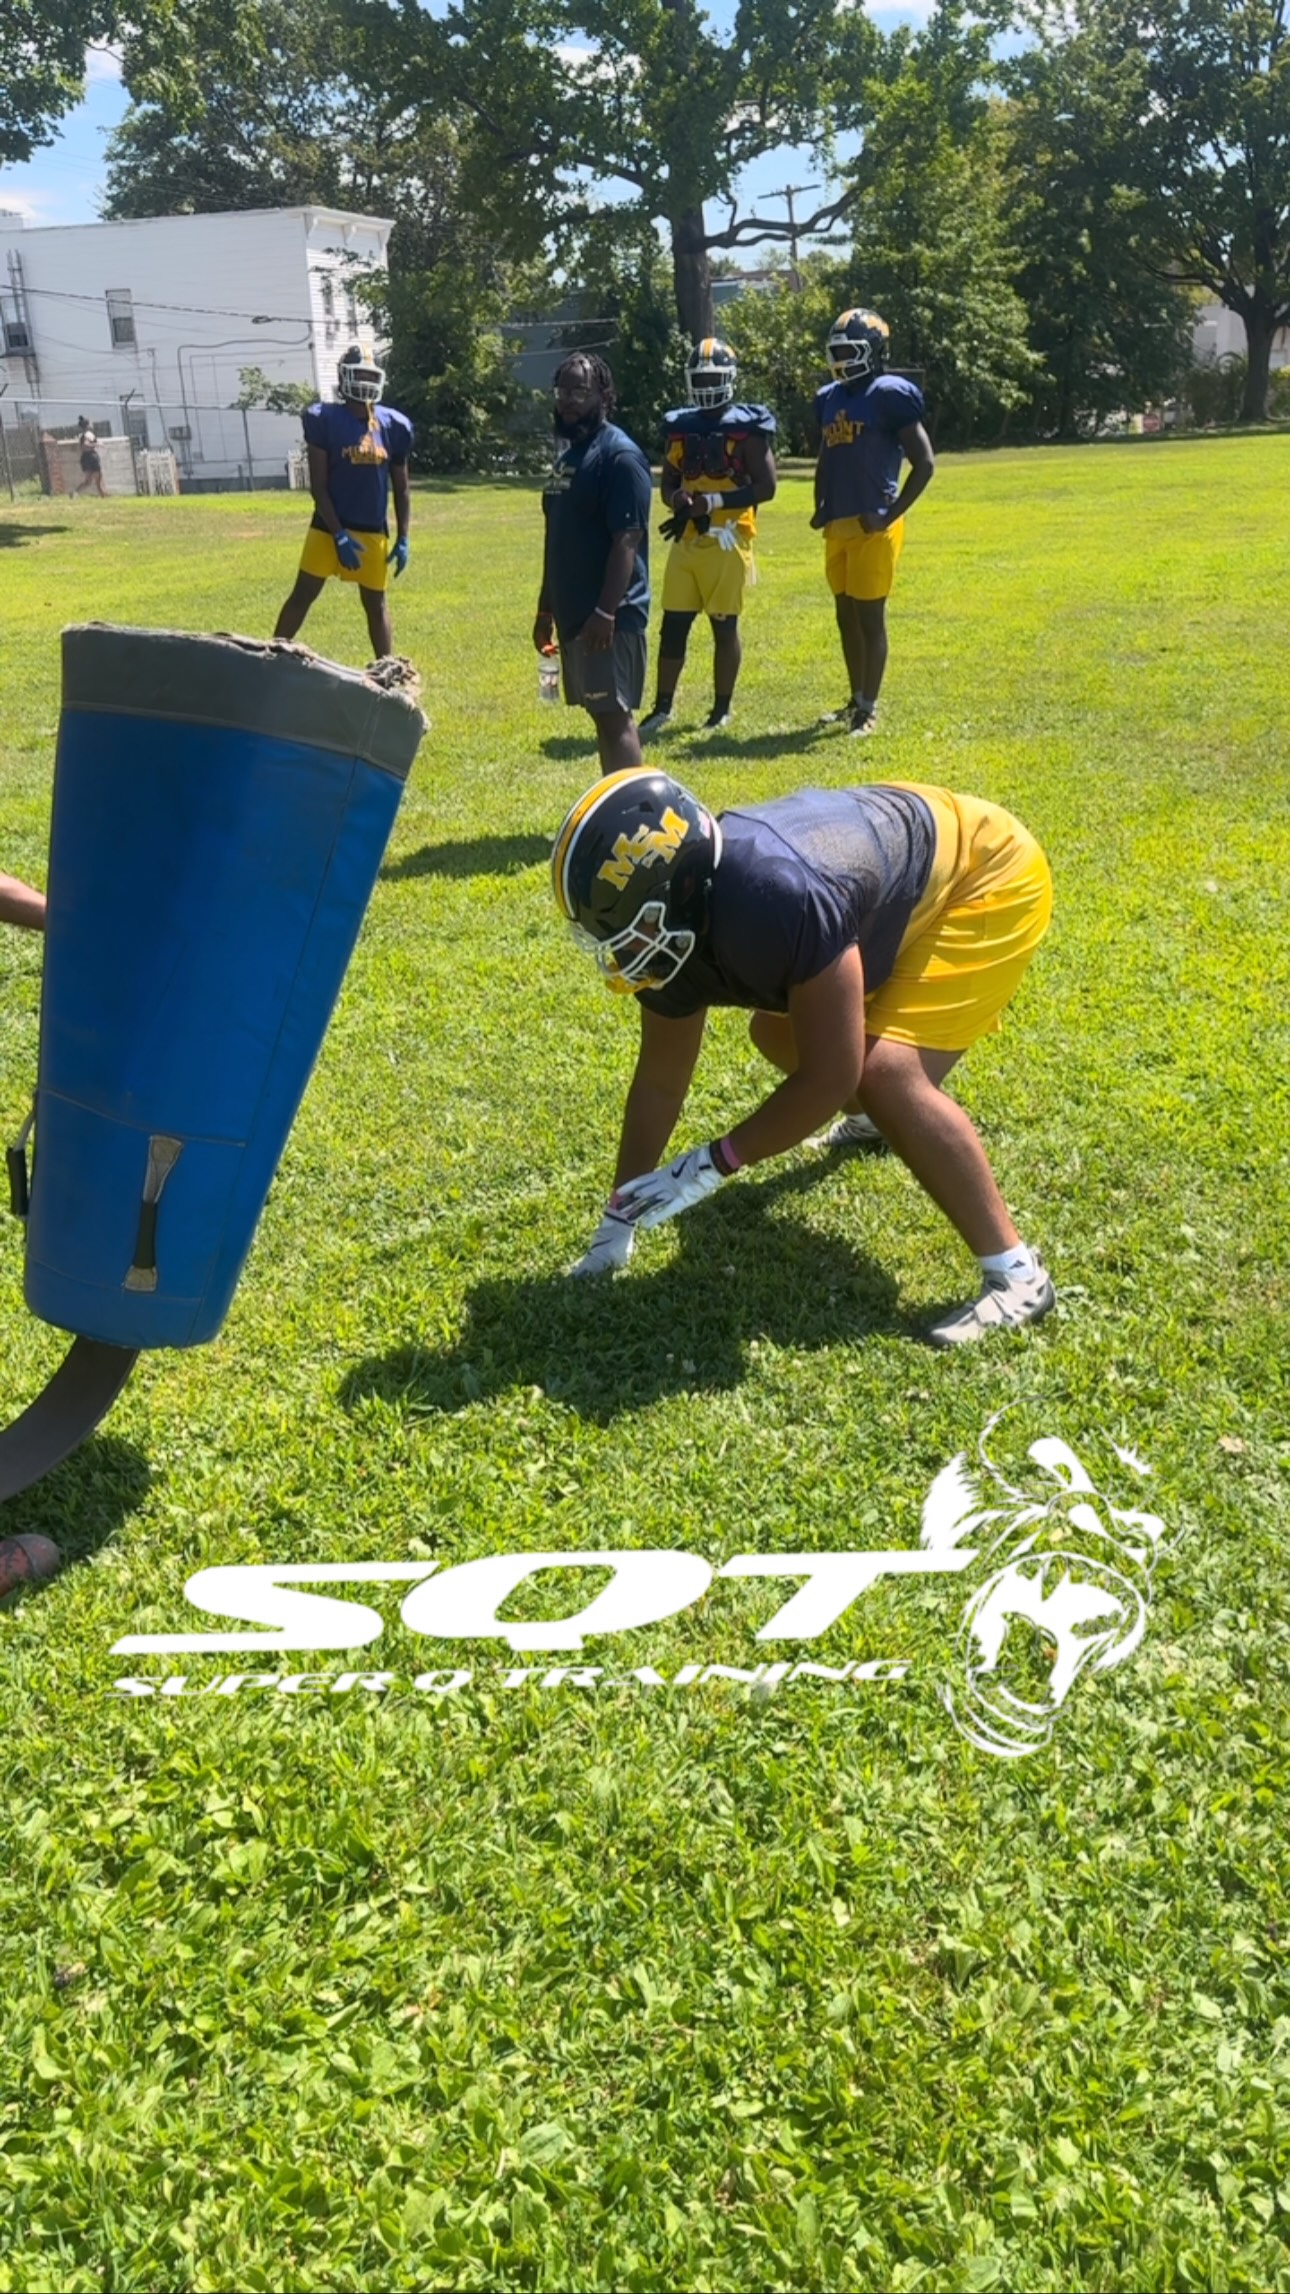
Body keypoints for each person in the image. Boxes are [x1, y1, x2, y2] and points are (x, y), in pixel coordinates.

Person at [551, 767, 1055, 1347]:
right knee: (776, 1033)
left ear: (682, 891)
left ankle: (1017, 1273)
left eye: (631, 929)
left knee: (885, 1075)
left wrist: (716, 1161)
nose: (620, 953)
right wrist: (619, 1215)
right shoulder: (692, 918)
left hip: (985, 870)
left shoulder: (778, 897)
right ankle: (874, 1123)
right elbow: (660, 1082)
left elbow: (831, 1076)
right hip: (893, 848)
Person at [638, 339, 777, 739]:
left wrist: (714, 501)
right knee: (673, 625)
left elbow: (767, 487)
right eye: (700, 379)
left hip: (726, 538)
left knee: (723, 626)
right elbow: (668, 484)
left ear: (729, 378)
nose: (707, 385)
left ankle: (721, 709)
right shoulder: (681, 429)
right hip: (687, 539)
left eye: (713, 378)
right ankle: (662, 707)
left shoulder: (748, 430)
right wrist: (677, 499)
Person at [812, 309, 935, 737]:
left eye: (849, 351)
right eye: (837, 352)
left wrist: (889, 514)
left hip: (873, 525)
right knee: (845, 616)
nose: (841, 360)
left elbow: (924, 463)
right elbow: (827, 455)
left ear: (873, 351)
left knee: (869, 618)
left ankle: (869, 708)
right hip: (839, 522)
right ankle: (855, 699)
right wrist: (820, 503)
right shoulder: (829, 397)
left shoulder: (888, 394)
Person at [533, 353, 653, 774]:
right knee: (600, 715)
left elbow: (627, 540)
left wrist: (605, 612)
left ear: (604, 395)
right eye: (562, 390)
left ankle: (631, 807)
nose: (568, 400)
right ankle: (616, 803)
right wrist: (545, 609)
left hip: (609, 618)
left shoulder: (620, 457)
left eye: (580, 391)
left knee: (614, 715)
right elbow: (556, 540)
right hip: (576, 615)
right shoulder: (569, 459)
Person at [274, 345, 412, 660]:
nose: (365, 382)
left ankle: (386, 669)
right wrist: (338, 535)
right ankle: (270, 657)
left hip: (371, 528)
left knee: (376, 604)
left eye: (370, 376)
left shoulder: (393, 426)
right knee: (303, 595)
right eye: (359, 374)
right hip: (328, 527)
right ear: (344, 376)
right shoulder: (325, 419)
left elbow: (402, 487)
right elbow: (319, 487)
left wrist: (404, 536)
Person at [74, 418, 105, 498]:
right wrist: (97, 444)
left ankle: (75, 493)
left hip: (86, 458)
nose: (92, 424)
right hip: (90, 457)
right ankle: (103, 497)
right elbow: (85, 445)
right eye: (90, 423)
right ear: (87, 425)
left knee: (88, 481)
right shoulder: (87, 435)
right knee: (98, 480)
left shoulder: (85, 434)